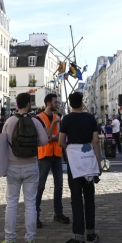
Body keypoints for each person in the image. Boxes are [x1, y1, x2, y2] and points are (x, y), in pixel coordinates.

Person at [0, 92, 48, 243]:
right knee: (30, 204)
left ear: (17, 105)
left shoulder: (9, 121)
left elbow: (3, 145)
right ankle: (30, 241)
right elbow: (44, 141)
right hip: (31, 166)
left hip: (12, 166)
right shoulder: (35, 121)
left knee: (11, 204)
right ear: (28, 104)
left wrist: (3, 167)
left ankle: (9, 240)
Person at [58, 91, 102, 243]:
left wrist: (70, 149)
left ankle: (78, 237)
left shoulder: (67, 119)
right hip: (89, 159)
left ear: (70, 104)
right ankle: (91, 233)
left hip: (74, 161)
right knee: (89, 196)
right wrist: (98, 162)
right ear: (82, 102)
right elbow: (96, 141)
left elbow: (61, 141)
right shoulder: (90, 118)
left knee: (76, 197)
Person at [35, 94, 70, 228]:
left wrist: (54, 137)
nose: (57, 104)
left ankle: (58, 213)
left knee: (59, 185)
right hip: (44, 155)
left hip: (57, 154)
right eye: (55, 102)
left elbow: (59, 136)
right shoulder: (39, 118)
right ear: (48, 103)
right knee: (40, 186)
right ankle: (35, 215)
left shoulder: (58, 118)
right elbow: (45, 136)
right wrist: (53, 128)